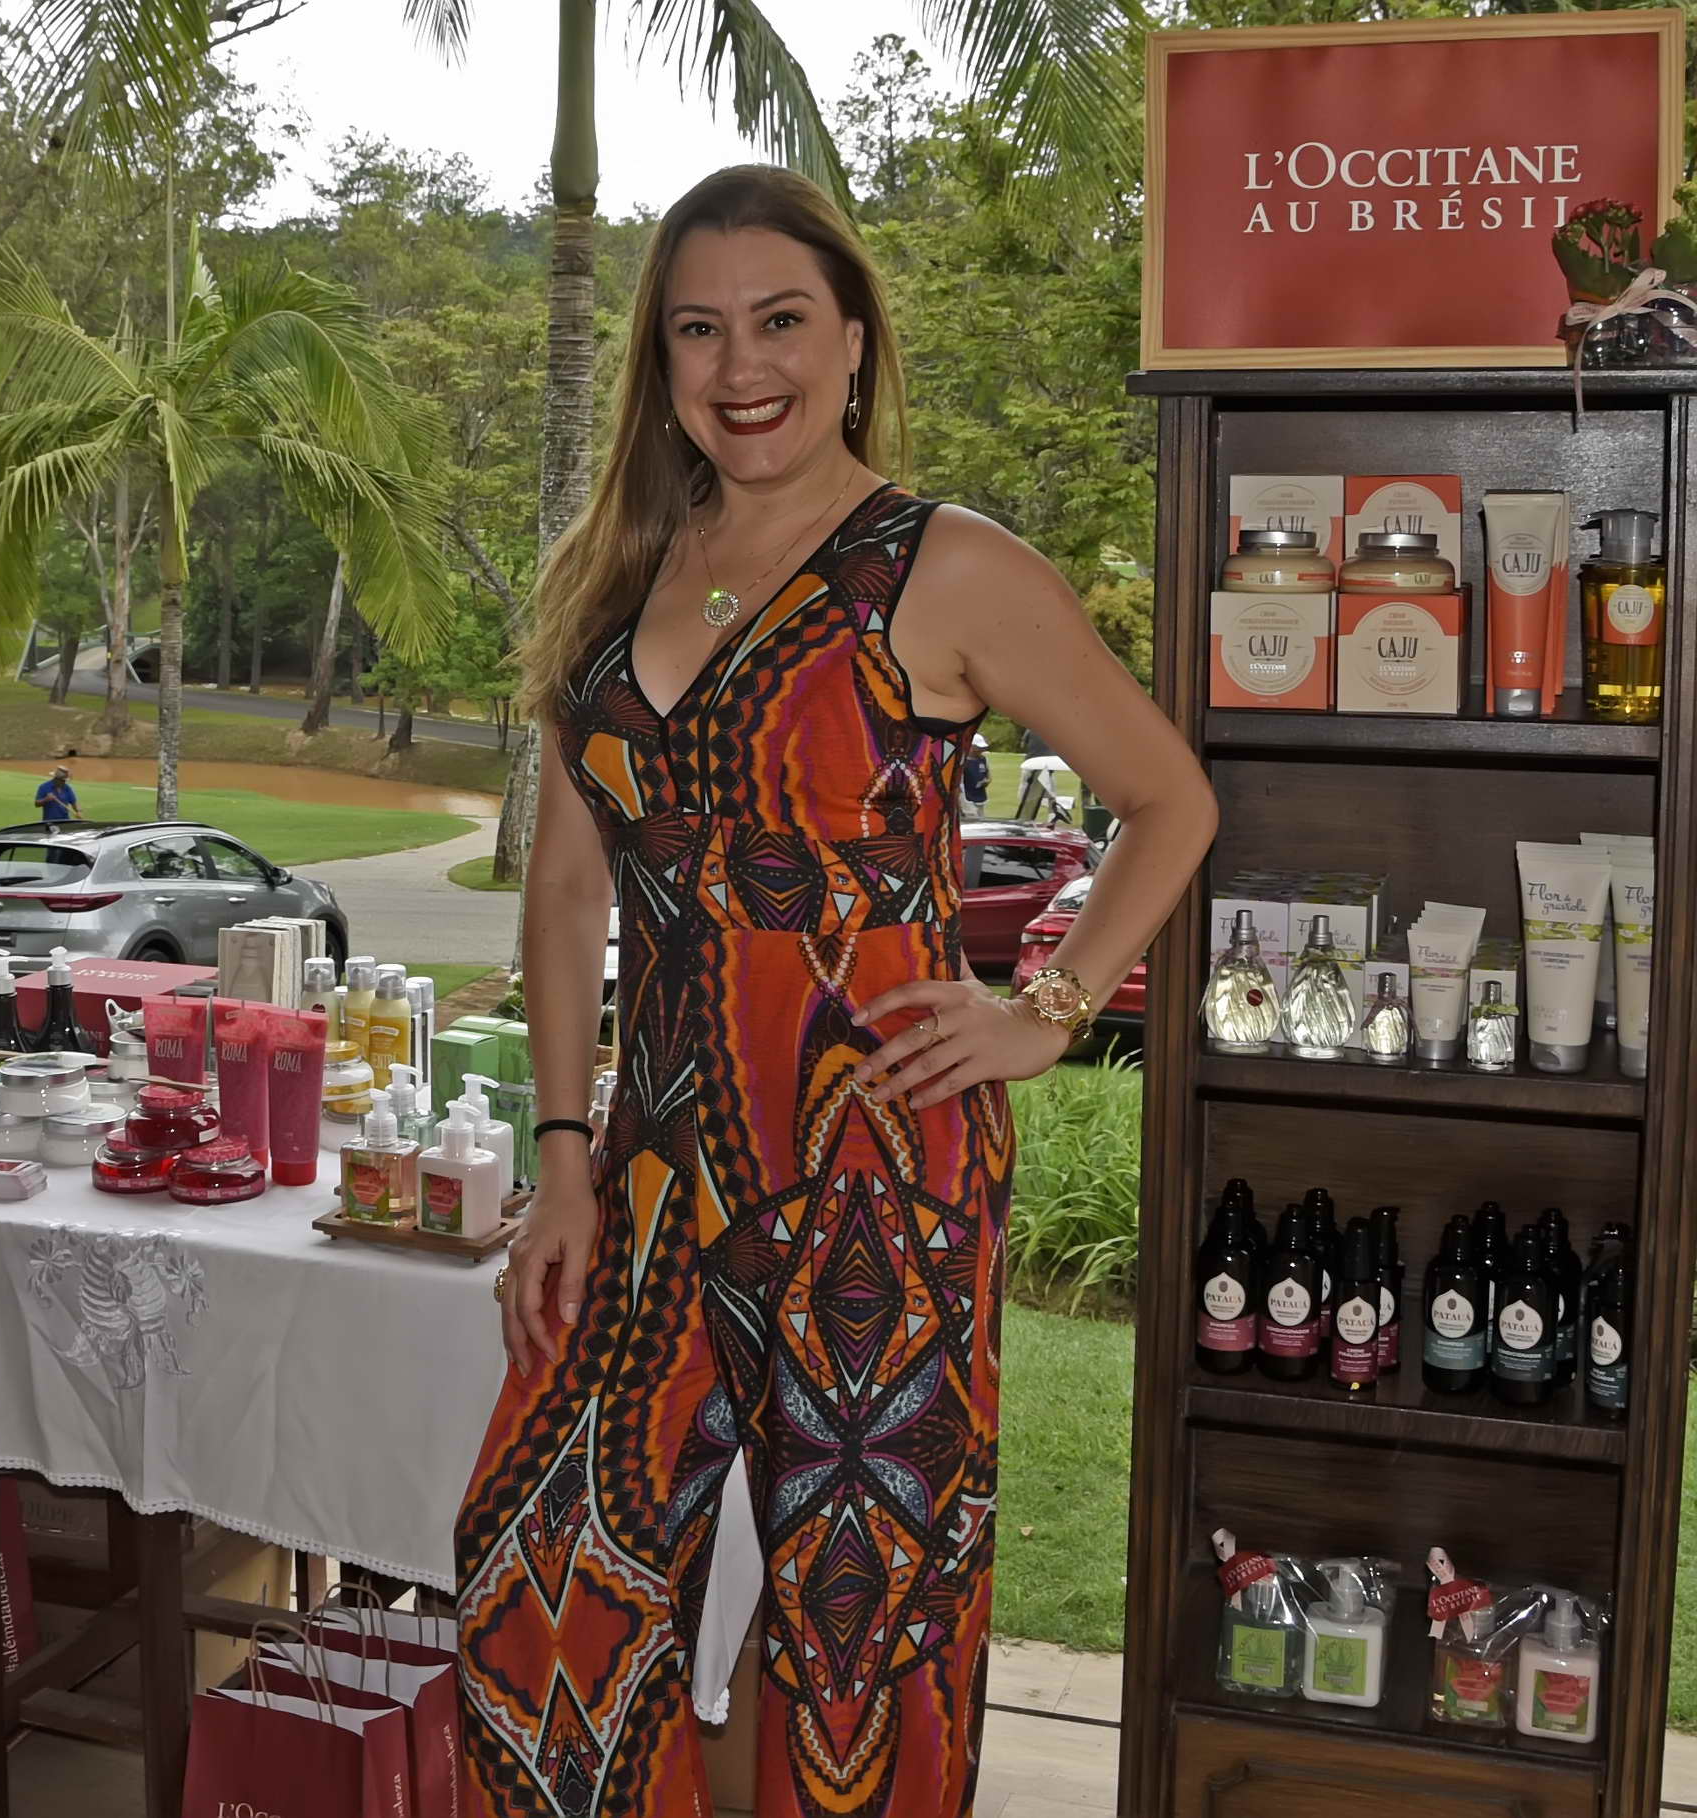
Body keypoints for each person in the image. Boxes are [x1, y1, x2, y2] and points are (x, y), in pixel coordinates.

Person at [454, 167, 1213, 1815]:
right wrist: (564, 1152)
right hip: (653, 1166)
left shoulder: (945, 564)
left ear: (855, 340)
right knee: (542, 1576)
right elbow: (570, 885)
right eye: (700, 329)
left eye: (782, 320)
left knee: (860, 1641)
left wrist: (1046, 1008)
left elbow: (1171, 800)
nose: (743, 366)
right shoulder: (620, 568)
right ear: (661, 361)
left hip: (880, 1173)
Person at [962, 732, 992, 818]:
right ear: (971, 746)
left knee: (981, 820)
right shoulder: (963, 761)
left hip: (980, 797)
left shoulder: (983, 759)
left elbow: (988, 775)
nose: (981, 750)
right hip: (968, 799)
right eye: (979, 748)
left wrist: (986, 781)